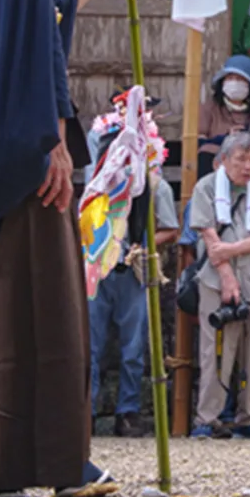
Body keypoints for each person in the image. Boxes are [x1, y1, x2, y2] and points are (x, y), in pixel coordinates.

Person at [0, 0, 135, 497]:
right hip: (20, 149)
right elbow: (24, 43)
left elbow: (39, 10)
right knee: (41, 309)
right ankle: (49, 459)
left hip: (9, 134)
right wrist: (49, 134)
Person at [85, 121, 178, 437]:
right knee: (91, 344)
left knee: (133, 346)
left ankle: (129, 410)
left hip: (134, 272)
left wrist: (145, 245)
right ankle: (88, 411)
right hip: (99, 272)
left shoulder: (154, 185)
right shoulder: (95, 189)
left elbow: (170, 228)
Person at [188, 133, 250, 439]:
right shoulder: (206, 187)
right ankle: (208, 417)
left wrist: (232, 250)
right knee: (215, 350)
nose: (247, 166)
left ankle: (249, 417)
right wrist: (227, 272)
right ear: (224, 160)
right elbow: (209, 235)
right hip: (216, 281)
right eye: (240, 159)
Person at [197, 56, 250, 182]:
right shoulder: (210, 108)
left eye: (240, 79)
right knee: (205, 156)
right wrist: (225, 139)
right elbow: (199, 138)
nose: (235, 83)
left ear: (249, 85)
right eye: (230, 78)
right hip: (216, 157)